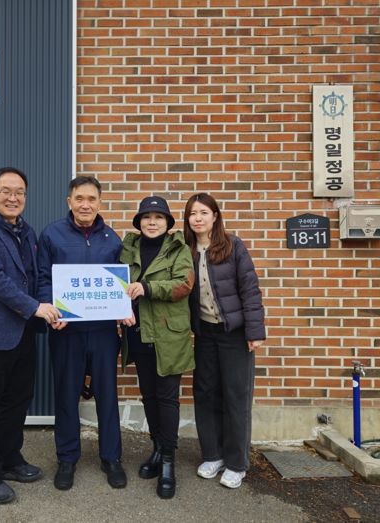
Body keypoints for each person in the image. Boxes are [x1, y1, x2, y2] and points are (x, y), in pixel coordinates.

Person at [0, 167, 61, 504]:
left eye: (19, 192)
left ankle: (9, 459)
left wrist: (53, 309)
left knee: (17, 402)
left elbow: (34, 278)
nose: (13, 197)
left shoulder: (27, 232)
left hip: (23, 333)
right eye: (5, 191)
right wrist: (36, 308)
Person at [37, 176, 127, 491]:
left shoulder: (112, 239)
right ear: (69, 201)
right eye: (79, 198)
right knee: (66, 395)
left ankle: (111, 457)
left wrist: (123, 307)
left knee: (107, 395)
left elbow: (120, 284)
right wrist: (51, 311)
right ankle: (67, 458)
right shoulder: (52, 234)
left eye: (91, 199)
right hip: (66, 331)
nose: (85, 204)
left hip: (103, 331)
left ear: (100, 202)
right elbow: (43, 278)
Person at [183, 192, 265, 490]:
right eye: (193, 213)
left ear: (215, 216)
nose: (198, 218)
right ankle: (213, 455)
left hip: (234, 334)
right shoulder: (186, 251)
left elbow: (250, 289)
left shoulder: (233, 246)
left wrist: (254, 331)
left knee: (236, 397)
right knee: (205, 394)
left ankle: (236, 463)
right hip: (205, 334)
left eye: (204, 212)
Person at [120, 196, 195, 499]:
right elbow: (116, 285)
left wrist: (148, 288)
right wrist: (120, 308)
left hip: (168, 336)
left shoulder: (179, 249)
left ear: (167, 222)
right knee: (149, 396)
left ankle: (167, 461)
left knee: (167, 398)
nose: (152, 222)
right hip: (137, 334)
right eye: (147, 217)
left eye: (159, 217)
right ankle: (156, 447)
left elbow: (183, 285)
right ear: (139, 222)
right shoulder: (128, 248)